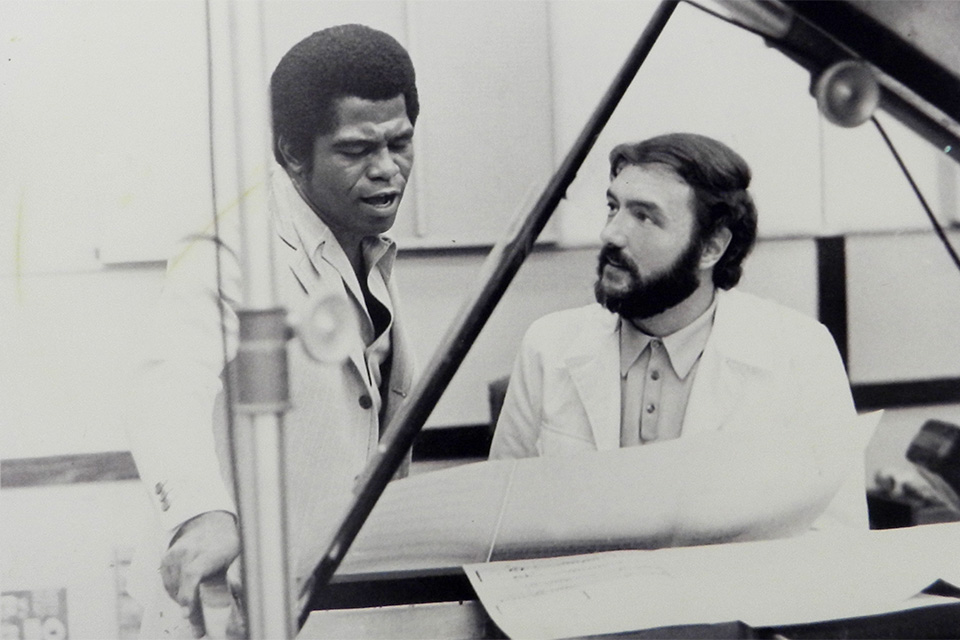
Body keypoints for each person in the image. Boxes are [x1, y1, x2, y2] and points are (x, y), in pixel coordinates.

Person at [126, 24, 419, 638]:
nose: (387, 170)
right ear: (291, 152)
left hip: (331, 600)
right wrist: (205, 516)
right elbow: (165, 388)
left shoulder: (366, 247)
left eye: (400, 143)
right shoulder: (234, 253)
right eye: (356, 150)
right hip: (232, 610)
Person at [489, 132, 868, 531]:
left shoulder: (800, 353)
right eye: (613, 207)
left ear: (710, 248)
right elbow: (500, 524)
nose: (611, 234)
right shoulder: (548, 345)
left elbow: (838, 539)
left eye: (644, 216)